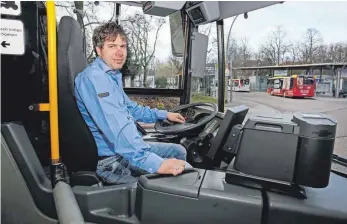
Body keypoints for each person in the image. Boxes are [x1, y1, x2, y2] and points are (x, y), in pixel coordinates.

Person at [74, 21, 192, 184]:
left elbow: (131, 109)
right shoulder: (95, 78)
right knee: (183, 171)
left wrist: (164, 114)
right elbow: (118, 128)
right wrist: (157, 164)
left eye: (123, 46)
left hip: (121, 151)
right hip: (111, 161)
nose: (119, 52)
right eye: (112, 46)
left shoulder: (110, 75)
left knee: (178, 151)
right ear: (99, 50)